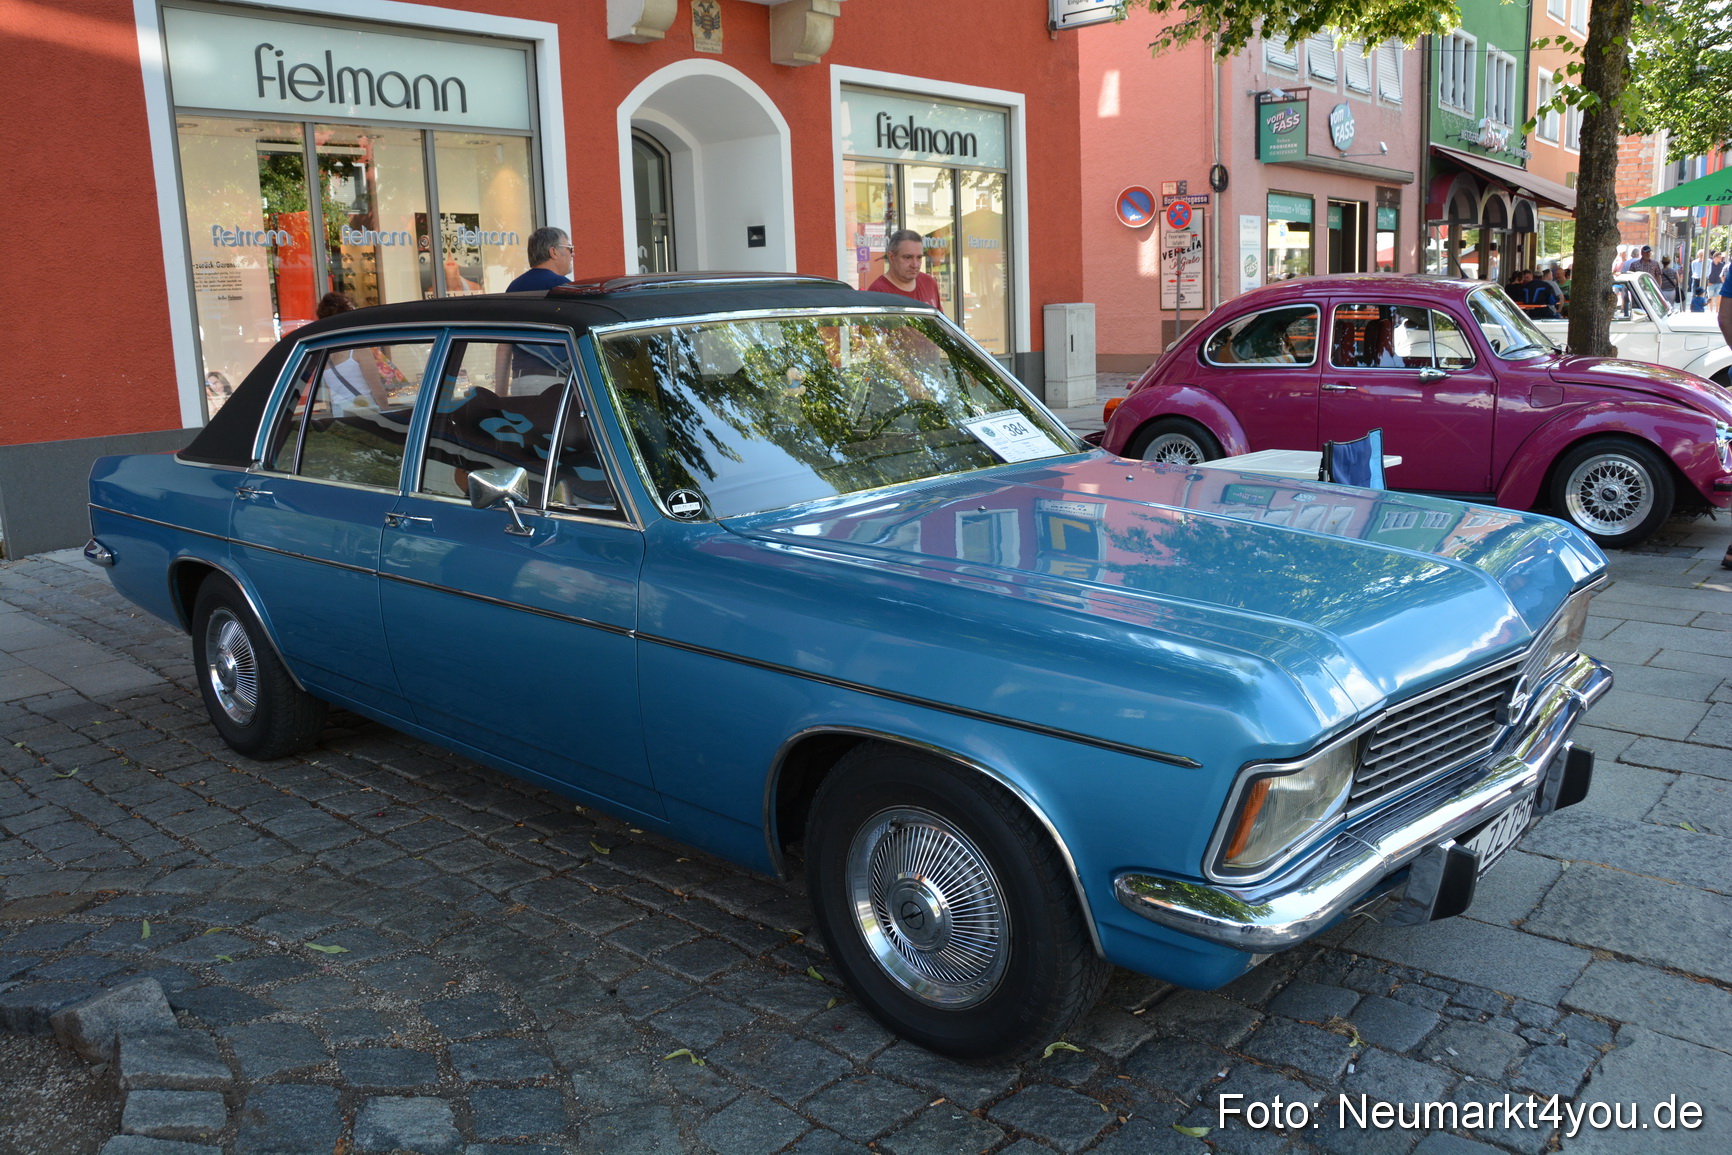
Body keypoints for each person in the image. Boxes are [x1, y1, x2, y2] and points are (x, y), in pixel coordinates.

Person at [867, 229, 943, 307]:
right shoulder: (877, 292)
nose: (915, 265)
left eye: (919, 257)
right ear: (891, 257)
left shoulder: (929, 283)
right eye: (907, 257)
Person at [506, 227, 574, 292]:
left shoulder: (514, 286)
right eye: (569, 248)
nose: (573, 254)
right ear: (554, 252)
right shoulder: (561, 285)